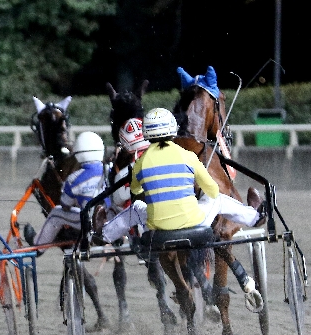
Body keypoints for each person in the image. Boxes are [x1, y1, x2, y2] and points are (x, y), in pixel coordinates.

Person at [101, 108, 265, 303]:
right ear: (173, 129)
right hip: (194, 224)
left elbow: (135, 190)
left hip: (159, 230)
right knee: (218, 200)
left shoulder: (141, 163)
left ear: (146, 133)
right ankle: (255, 217)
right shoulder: (188, 156)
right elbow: (212, 191)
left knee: (135, 209)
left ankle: (103, 235)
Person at [26, 131, 110, 253]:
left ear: (78, 153)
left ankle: (38, 246)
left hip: (91, 224)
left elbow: (65, 206)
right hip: (113, 219)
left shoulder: (73, 179)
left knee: (56, 213)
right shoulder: (110, 169)